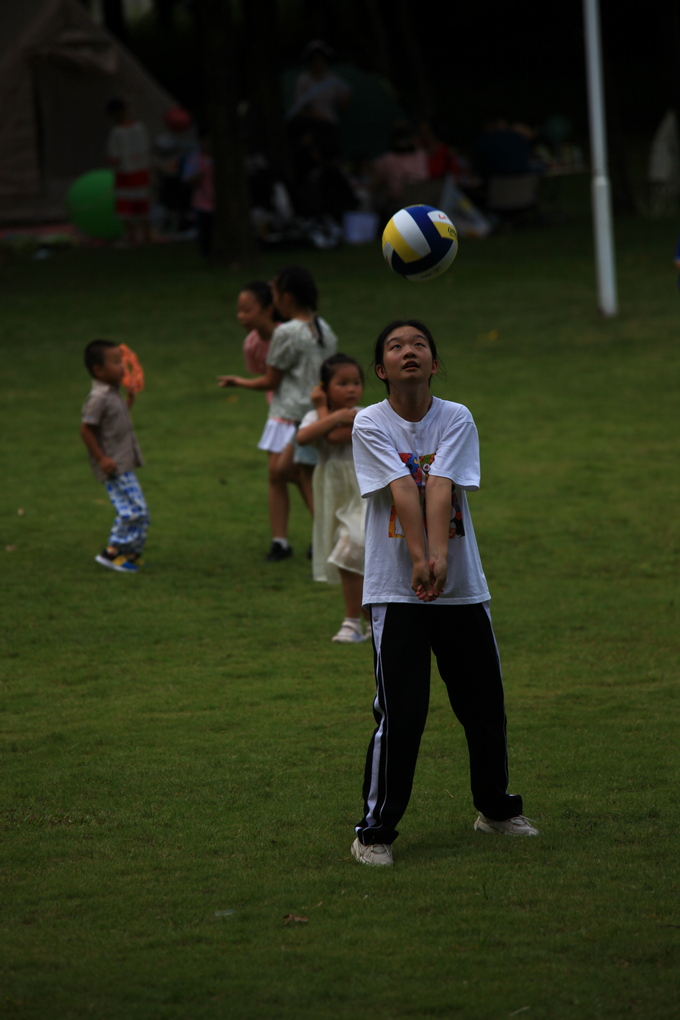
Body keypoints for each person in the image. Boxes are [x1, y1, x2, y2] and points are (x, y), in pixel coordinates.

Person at [350, 320, 538, 867]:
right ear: (381, 370)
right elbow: (404, 488)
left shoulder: (456, 417)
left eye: (419, 345)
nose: (408, 351)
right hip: (395, 591)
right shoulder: (369, 421)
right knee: (401, 713)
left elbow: (442, 489)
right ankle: (374, 833)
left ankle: (496, 811)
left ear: (434, 364)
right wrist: (418, 559)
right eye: (395, 346)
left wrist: (439, 561)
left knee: (484, 704)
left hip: (459, 589)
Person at [218, 266, 337, 561]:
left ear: (285, 297)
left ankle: (329, 538)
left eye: (274, 294)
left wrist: (237, 382)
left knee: (300, 476)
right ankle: (316, 538)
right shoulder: (324, 328)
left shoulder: (286, 331)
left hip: (294, 416)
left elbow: (270, 381)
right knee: (288, 472)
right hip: (317, 413)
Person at [297, 354, 369, 643]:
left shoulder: (363, 414)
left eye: (356, 382)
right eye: (342, 383)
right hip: (333, 493)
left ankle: (357, 621)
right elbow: (303, 439)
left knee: (354, 547)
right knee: (348, 553)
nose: (352, 389)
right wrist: (329, 412)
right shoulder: (315, 416)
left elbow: (335, 438)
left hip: (362, 491)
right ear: (324, 388)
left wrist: (332, 413)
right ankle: (361, 621)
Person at [80, 340, 149, 574]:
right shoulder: (98, 397)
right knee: (132, 510)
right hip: (113, 465)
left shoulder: (113, 393)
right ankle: (111, 553)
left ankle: (129, 553)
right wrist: (101, 459)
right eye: (116, 362)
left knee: (140, 511)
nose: (122, 367)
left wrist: (128, 402)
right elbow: (86, 429)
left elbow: (114, 422)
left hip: (123, 461)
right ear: (98, 370)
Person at [106, 98, 151, 246]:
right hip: (141, 173)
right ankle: (145, 237)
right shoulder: (140, 127)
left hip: (126, 175)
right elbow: (146, 150)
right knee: (141, 206)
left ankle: (133, 236)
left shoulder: (117, 132)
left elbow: (113, 158)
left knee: (126, 208)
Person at [182, 133, 215, 258]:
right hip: (202, 202)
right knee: (205, 231)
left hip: (217, 202)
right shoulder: (195, 158)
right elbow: (187, 179)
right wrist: (199, 176)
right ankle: (206, 254)